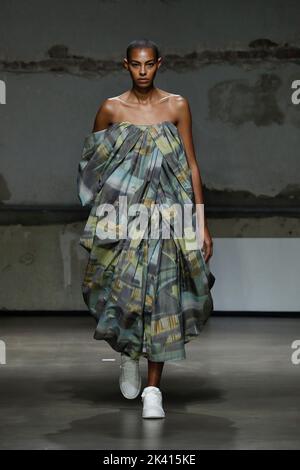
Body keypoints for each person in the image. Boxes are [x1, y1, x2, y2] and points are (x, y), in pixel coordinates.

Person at [77, 38, 215, 419]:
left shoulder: (177, 106)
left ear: (159, 64)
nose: (142, 71)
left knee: (164, 299)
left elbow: (191, 165)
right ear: (125, 65)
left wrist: (200, 223)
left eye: (149, 64)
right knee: (123, 296)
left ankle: (153, 389)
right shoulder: (110, 110)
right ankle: (128, 354)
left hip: (169, 220)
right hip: (124, 220)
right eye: (136, 65)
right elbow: (93, 166)